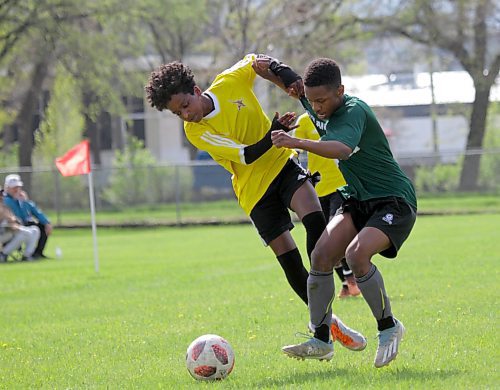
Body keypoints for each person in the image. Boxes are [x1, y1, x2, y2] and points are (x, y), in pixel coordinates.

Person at [145, 53, 366, 353]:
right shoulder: (195, 131)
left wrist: (286, 78)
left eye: (185, 105)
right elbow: (246, 155)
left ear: (196, 92)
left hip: (282, 165)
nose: (184, 115)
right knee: (290, 261)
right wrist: (275, 131)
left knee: (315, 222)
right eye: (177, 113)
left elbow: (256, 61)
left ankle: (322, 325)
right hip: (254, 191)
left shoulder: (229, 82)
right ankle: (327, 327)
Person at [269, 58, 417, 368]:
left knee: (356, 255)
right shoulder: (317, 102)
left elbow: (341, 149)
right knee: (321, 256)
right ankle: (321, 339)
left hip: (393, 200)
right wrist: (272, 71)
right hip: (358, 200)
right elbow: (299, 86)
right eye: (313, 101)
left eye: (322, 100)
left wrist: (294, 141)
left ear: (341, 91)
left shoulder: (353, 111)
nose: (317, 107)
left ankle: (389, 328)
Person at [294, 113, 361, 299]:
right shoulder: (304, 121)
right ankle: (347, 283)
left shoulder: (338, 116)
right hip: (319, 188)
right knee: (322, 240)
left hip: (341, 185)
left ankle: (352, 279)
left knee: (335, 235)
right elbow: (294, 151)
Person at [3, 174, 53, 258]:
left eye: (18, 187)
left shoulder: (21, 199)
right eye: (14, 187)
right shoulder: (5, 200)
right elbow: (15, 217)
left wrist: (46, 222)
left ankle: (37, 253)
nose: (16, 189)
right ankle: (8, 254)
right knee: (31, 230)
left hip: (22, 224)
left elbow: (35, 211)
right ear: (7, 188)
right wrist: (19, 201)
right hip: (10, 226)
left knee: (42, 226)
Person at [0, 189, 40, 262]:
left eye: (2, 195)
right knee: (26, 233)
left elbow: (13, 218)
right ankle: (3, 254)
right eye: (1, 195)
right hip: (3, 232)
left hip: (8, 230)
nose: (2, 197)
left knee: (34, 230)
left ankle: (26, 255)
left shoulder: (4, 205)